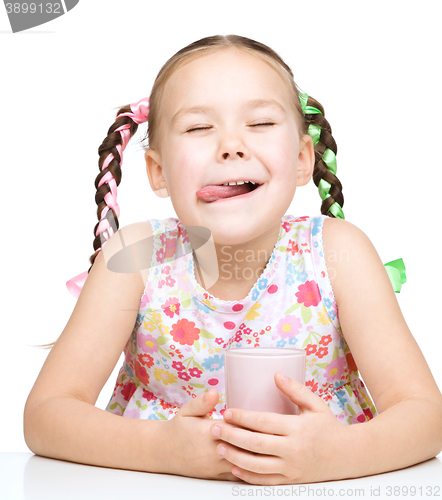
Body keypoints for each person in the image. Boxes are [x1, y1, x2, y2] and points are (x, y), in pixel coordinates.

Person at [23, 34, 442, 485]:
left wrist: (339, 454)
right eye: (199, 128)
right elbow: (46, 416)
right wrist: (162, 448)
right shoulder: (135, 259)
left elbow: (424, 416)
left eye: (260, 123)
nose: (230, 145)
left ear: (303, 158)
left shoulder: (339, 254)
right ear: (158, 172)